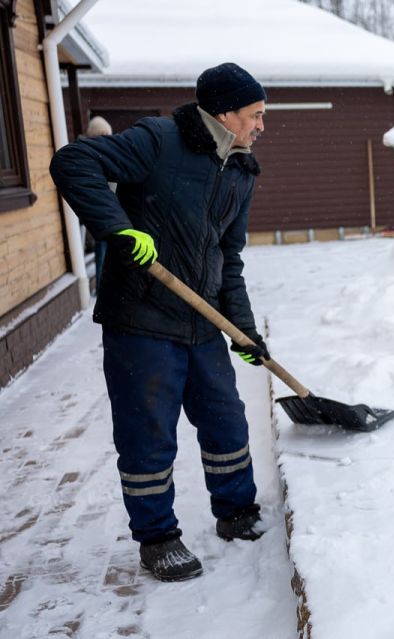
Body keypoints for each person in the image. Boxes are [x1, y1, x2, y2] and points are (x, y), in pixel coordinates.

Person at [50, 62, 270, 582]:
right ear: (225, 112)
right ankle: (158, 538)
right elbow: (74, 161)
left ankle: (236, 511)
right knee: (148, 432)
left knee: (226, 418)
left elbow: (227, 260)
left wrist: (243, 329)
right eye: (256, 114)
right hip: (141, 318)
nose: (262, 126)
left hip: (200, 321)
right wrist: (119, 230)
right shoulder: (159, 140)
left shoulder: (240, 171)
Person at [82, 116, 113, 291]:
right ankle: (102, 288)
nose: (106, 139)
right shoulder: (90, 157)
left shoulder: (108, 153)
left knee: (110, 252)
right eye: (102, 135)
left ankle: (107, 287)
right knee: (102, 250)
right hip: (101, 214)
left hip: (112, 211)